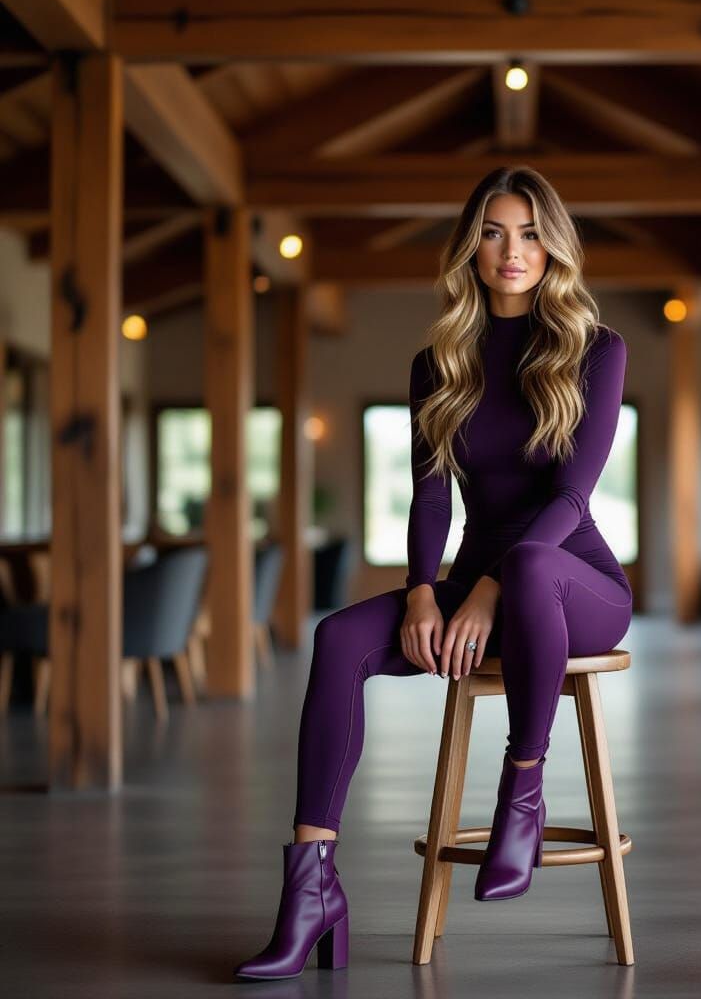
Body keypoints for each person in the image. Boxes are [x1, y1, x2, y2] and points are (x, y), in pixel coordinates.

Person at [234, 165, 632, 980]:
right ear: (470, 249)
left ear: (553, 246)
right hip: (480, 584)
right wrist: (423, 591)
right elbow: (430, 497)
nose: (512, 250)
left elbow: (571, 497)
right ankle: (311, 889)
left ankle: (523, 792)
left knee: (529, 564)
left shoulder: (597, 350)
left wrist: (487, 588)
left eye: (530, 233)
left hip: (574, 587)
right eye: (493, 232)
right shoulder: (439, 362)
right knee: (339, 638)